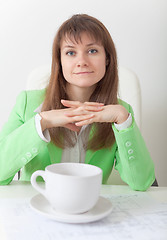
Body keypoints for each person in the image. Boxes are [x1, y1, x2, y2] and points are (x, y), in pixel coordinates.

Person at [0, 14, 155, 190]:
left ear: (107, 59)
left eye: (92, 51)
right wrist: (42, 122)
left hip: (89, 209)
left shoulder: (121, 112)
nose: (82, 62)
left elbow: (142, 182)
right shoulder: (27, 103)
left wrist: (123, 120)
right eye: (71, 52)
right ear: (60, 61)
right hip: (37, 207)